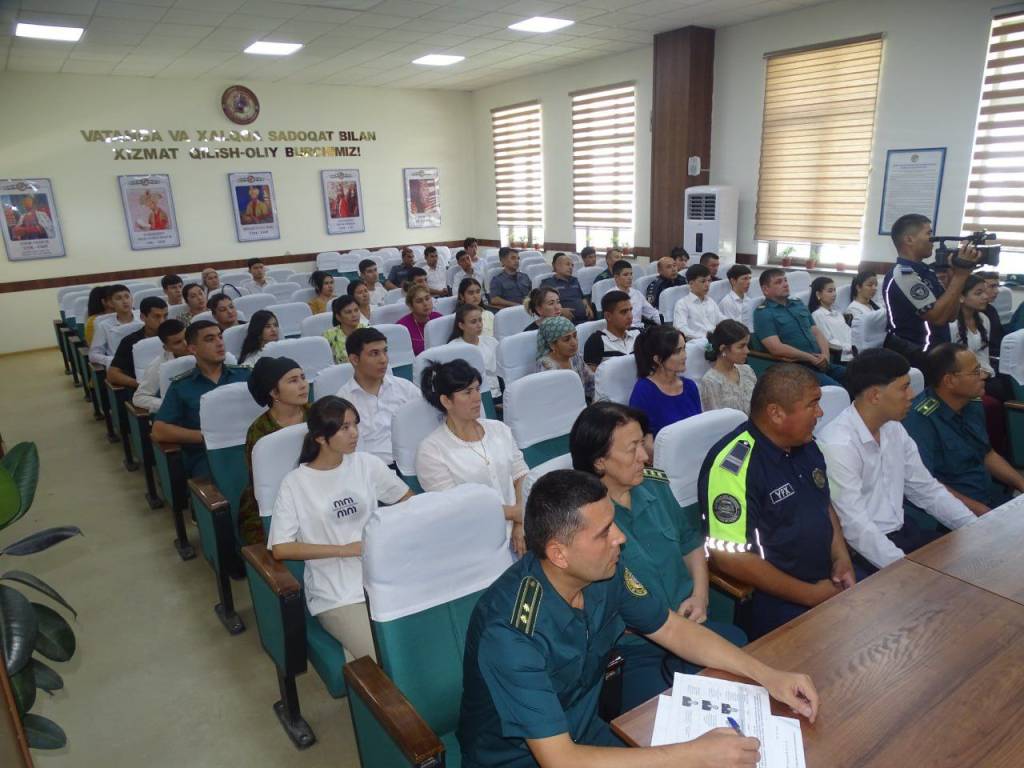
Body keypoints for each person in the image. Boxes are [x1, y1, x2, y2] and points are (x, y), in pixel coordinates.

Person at [458, 468, 819, 767]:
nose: (620, 538)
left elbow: (672, 628)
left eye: (614, 524)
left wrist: (767, 675)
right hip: (522, 759)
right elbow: (560, 759)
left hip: (585, 732)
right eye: (604, 533)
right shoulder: (510, 633)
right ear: (559, 554)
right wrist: (696, 754)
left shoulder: (605, 572)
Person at [570, 403, 748, 710]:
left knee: (744, 667)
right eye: (632, 449)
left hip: (692, 624)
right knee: (659, 715)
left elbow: (690, 543)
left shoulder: (655, 485)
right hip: (636, 647)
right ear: (600, 462)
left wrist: (701, 596)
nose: (644, 456)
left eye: (643, 443)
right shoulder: (582, 520)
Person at [699, 364, 857, 639]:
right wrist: (809, 595)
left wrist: (841, 558)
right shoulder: (733, 467)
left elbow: (823, 505)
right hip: (774, 596)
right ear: (776, 413)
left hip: (826, 578)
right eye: (812, 404)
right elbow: (728, 556)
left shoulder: (806, 445)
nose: (820, 412)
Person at [269, 395, 413, 660]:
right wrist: (343, 550)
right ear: (320, 437)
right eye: (345, 427)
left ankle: (355, 663)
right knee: (388, 657)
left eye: (355, 424)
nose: (355, 433)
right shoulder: (295, 483)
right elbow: (281, 548)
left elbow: (409, 502)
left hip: (385, 575)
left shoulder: (366, 464)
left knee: (420, 644)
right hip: (337, 593)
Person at [817, 349, 975, 573]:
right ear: (875, 395)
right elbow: (856, 527)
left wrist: (974, 528)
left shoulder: (893, 428)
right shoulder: (838, 444)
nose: (911, 395)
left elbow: (927, 490)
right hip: (864, 551)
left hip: (903, 531)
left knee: (974, 561)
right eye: (904, 387)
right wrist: (907, 569)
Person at [416, 359, 529, 555]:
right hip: (475, 542)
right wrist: (516, 513)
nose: (477, 398)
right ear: (446, 401)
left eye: (477, 389)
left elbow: (521, 475)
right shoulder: (431, 451)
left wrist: (520, 522)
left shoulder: (499, 429)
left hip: (522, 528)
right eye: (467, 392)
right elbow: (458, 508)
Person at [903, 343, 1024, 514]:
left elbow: (986, 454)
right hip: (953, 513)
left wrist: (1021, 484)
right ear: (950, 381)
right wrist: (985, 514)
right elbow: (927, 486)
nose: (984, 375)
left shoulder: (972, 402)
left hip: (988, 497)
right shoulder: (920, 421)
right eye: (976, 372)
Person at [151, 320, 250, 478]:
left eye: (220, 337)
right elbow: (159, 430)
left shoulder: (245, 375)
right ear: (193, 349)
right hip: (208, 455)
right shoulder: (182, 386)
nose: (219, 343)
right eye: (210, 339)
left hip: (249, 446)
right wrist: (206, 437)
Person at [883, 213, 978, 365]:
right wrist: (961, 276)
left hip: (936, 351)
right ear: (909, 239)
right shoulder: (902, 274)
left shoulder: (928, 271)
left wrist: (954, 277)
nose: (933, 240)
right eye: (928, 234)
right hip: (915, 355)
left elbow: (951, 315)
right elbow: (937, 318)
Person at [236, 356, 310, 545]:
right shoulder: (259, 431)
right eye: (293, 381)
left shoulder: (319, 415)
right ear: (274, 392)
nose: (303, 385)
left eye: (303, 377)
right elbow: (261, 483)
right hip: (273, 505)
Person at [336, 328, 420, 466]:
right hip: (375, 469)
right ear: (355, 359)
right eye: (374, 353)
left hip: (416, 461)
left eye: (385, 351)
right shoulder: (343, 401)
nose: (383, 360)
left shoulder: (405, 388)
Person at [752, 268, 844, 386]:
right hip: (796, 368)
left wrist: (825, 356)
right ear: (766, 289)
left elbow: (816, 332)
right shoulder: (763, 313)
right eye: (778, 282)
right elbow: (776, 348)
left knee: (857, 377)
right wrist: (811, 358)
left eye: (785, 280)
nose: (785, 284)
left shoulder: (798, 304)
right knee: (837, 389)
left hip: (820, 362)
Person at [629, 324, 701, 437]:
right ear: (657, 359)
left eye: (684, 348)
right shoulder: (643, 392)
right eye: (678, 351)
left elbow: (700, 426)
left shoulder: (690, 386)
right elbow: (641, 438)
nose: (685, 356)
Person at [107, 297, 169, 388]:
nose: (162, 321)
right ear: (142, 317)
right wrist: (140, 385)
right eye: (157, 316)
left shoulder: (174, 335)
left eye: (165, 316)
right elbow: (112, 374)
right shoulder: (130, 341)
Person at [699, 320, 756, 415]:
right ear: (723, 349)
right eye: (741, 346)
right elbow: (717, 419)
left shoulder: (747, 370)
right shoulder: (710, 381)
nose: (747, 351)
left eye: (747, 345)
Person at [132, 319, 189, 413]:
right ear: (167, 348)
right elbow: (139, 398)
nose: (186, 344)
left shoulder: (205, 351)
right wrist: (170, 404)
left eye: (187, 337)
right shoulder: (159, 366)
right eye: (178, 342)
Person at [447, 303, 500, 400]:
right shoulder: (453, 348)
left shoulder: (491, 341)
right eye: (473, 322)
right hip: (472, 396)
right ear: (461, 325)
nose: (479, 325)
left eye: (480, 320)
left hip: (497, 392)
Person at [537, 316, 594, 401]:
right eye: (566, 339)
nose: (574, 343)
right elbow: (554, 400)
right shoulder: (545, 366)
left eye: (575, 336)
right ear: (552, 345)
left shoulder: (575, 356)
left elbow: (591, 382)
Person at [583, 290, 638, 371]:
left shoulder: (638, 334)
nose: (630, 316)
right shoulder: (596, 342)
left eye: (630, 310)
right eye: (624, 312)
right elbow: (593, 376)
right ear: (608, 316)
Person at [808, 276, 853, 362]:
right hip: (840, 357)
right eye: (830, 291)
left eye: (834, 290)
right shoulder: (817, 315)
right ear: (818, 294)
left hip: (851, 352)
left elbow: (848, 333)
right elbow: (828, 341)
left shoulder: (838, 313)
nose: (834, 294)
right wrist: (849, 347)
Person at [89, 284, 135, 367]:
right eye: (119, 298)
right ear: (110, 303)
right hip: (119, 366)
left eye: (127, 297)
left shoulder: (143, 318)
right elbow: (93, 354)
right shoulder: (104, 325)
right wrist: (111, 360)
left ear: (132, 299)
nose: (125, 301)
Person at [674, 263, 723, 341]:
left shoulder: (711, 301)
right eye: (703, 281)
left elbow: (721, 319)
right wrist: (703, 338)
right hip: (696, 342)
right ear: (691, 283)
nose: (707, 284)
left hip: (714, 340)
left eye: (709, 281)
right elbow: (680, 328)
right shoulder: (682, 304)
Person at [542, 252, 592, 323]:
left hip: (584, 318)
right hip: (563, 321)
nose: (571, 267)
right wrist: (560, 310)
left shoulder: (575, 280)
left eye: (572, 265)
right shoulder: (548, 283)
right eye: (567, 264)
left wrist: (588, 307)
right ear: (557, 266)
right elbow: (543, 304)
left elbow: (582, 297)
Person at [397, 284, 441, 356]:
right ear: (411, 306)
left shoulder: (438, 318)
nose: (425, 304)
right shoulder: (402, 327)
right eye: (419, 301)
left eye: (427, 298)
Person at [612, 259, 659, 326]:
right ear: (616, 277)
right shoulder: (611, 296)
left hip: (640, 329)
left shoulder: (637, 294)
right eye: (625, 275)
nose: (630, 277)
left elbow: (653, 313)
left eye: (631, 274)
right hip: (623, 330)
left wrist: (666, 324)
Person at [323, 296, 367, 364]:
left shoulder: (367, 331)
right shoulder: (328, 336)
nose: (354, 315)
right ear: (338, 317)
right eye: (348, 312)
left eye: (356, 310)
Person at [978, 271, 1005, 370]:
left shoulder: (991, 310)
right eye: (992, 286)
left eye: (997, 286)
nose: (997, 291)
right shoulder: (973, 313)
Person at [718, 264, 754, 329]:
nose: (749, 282)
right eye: (745, 279)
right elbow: (731, 328)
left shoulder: (749, 300)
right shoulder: (727, 302)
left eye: (749, 278)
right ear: (733, 281)